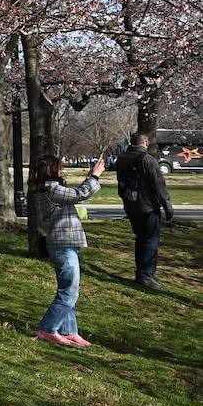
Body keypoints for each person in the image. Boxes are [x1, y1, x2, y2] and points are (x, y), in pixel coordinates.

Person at [31, 153, 104, 347]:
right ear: (52, 170)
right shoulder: (51, 189)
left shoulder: (48, 190)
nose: (62, 170)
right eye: (59, 168)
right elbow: (80, 194)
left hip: (63, 244)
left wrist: (89, 179)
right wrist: (95, 177)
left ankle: (69, 331)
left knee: (69, 289)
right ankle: (47, 328)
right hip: (62, 245)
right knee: (69, 290)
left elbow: (72, 194)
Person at [114, 132, 175, 289]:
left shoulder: (121, 159)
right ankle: (147, 275)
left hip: (130, 205)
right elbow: (158, 185)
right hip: (147, 206)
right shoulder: (148, 160)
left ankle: (141, 273)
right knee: (150, 240)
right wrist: (167, 206)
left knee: (140, 239)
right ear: (146, 142)